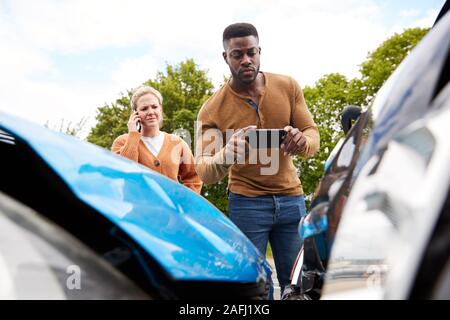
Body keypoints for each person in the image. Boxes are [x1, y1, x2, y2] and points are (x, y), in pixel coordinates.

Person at [195, 23, 320, 298]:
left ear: (259, 51)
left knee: (298, 286)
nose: (246, 60)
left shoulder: (288, 86)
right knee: (254, 289)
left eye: (251, 52)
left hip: (291, 200)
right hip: (247, 205)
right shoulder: (212, 109)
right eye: (237, 54)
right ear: (226, 57)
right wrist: (227, 154)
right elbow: (204, 170)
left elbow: (313, 135)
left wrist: (303, 141)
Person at [112, 85, 202, 194]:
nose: (150, 112)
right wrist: (133, 135)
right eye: (144, 108)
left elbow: (194, 178)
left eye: (154, 107)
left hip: (170, 210)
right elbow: (124, 172)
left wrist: (184, 202)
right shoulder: (122, 142)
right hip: (137, 209)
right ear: (135, 113)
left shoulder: (177, 143)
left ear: (160, 109)